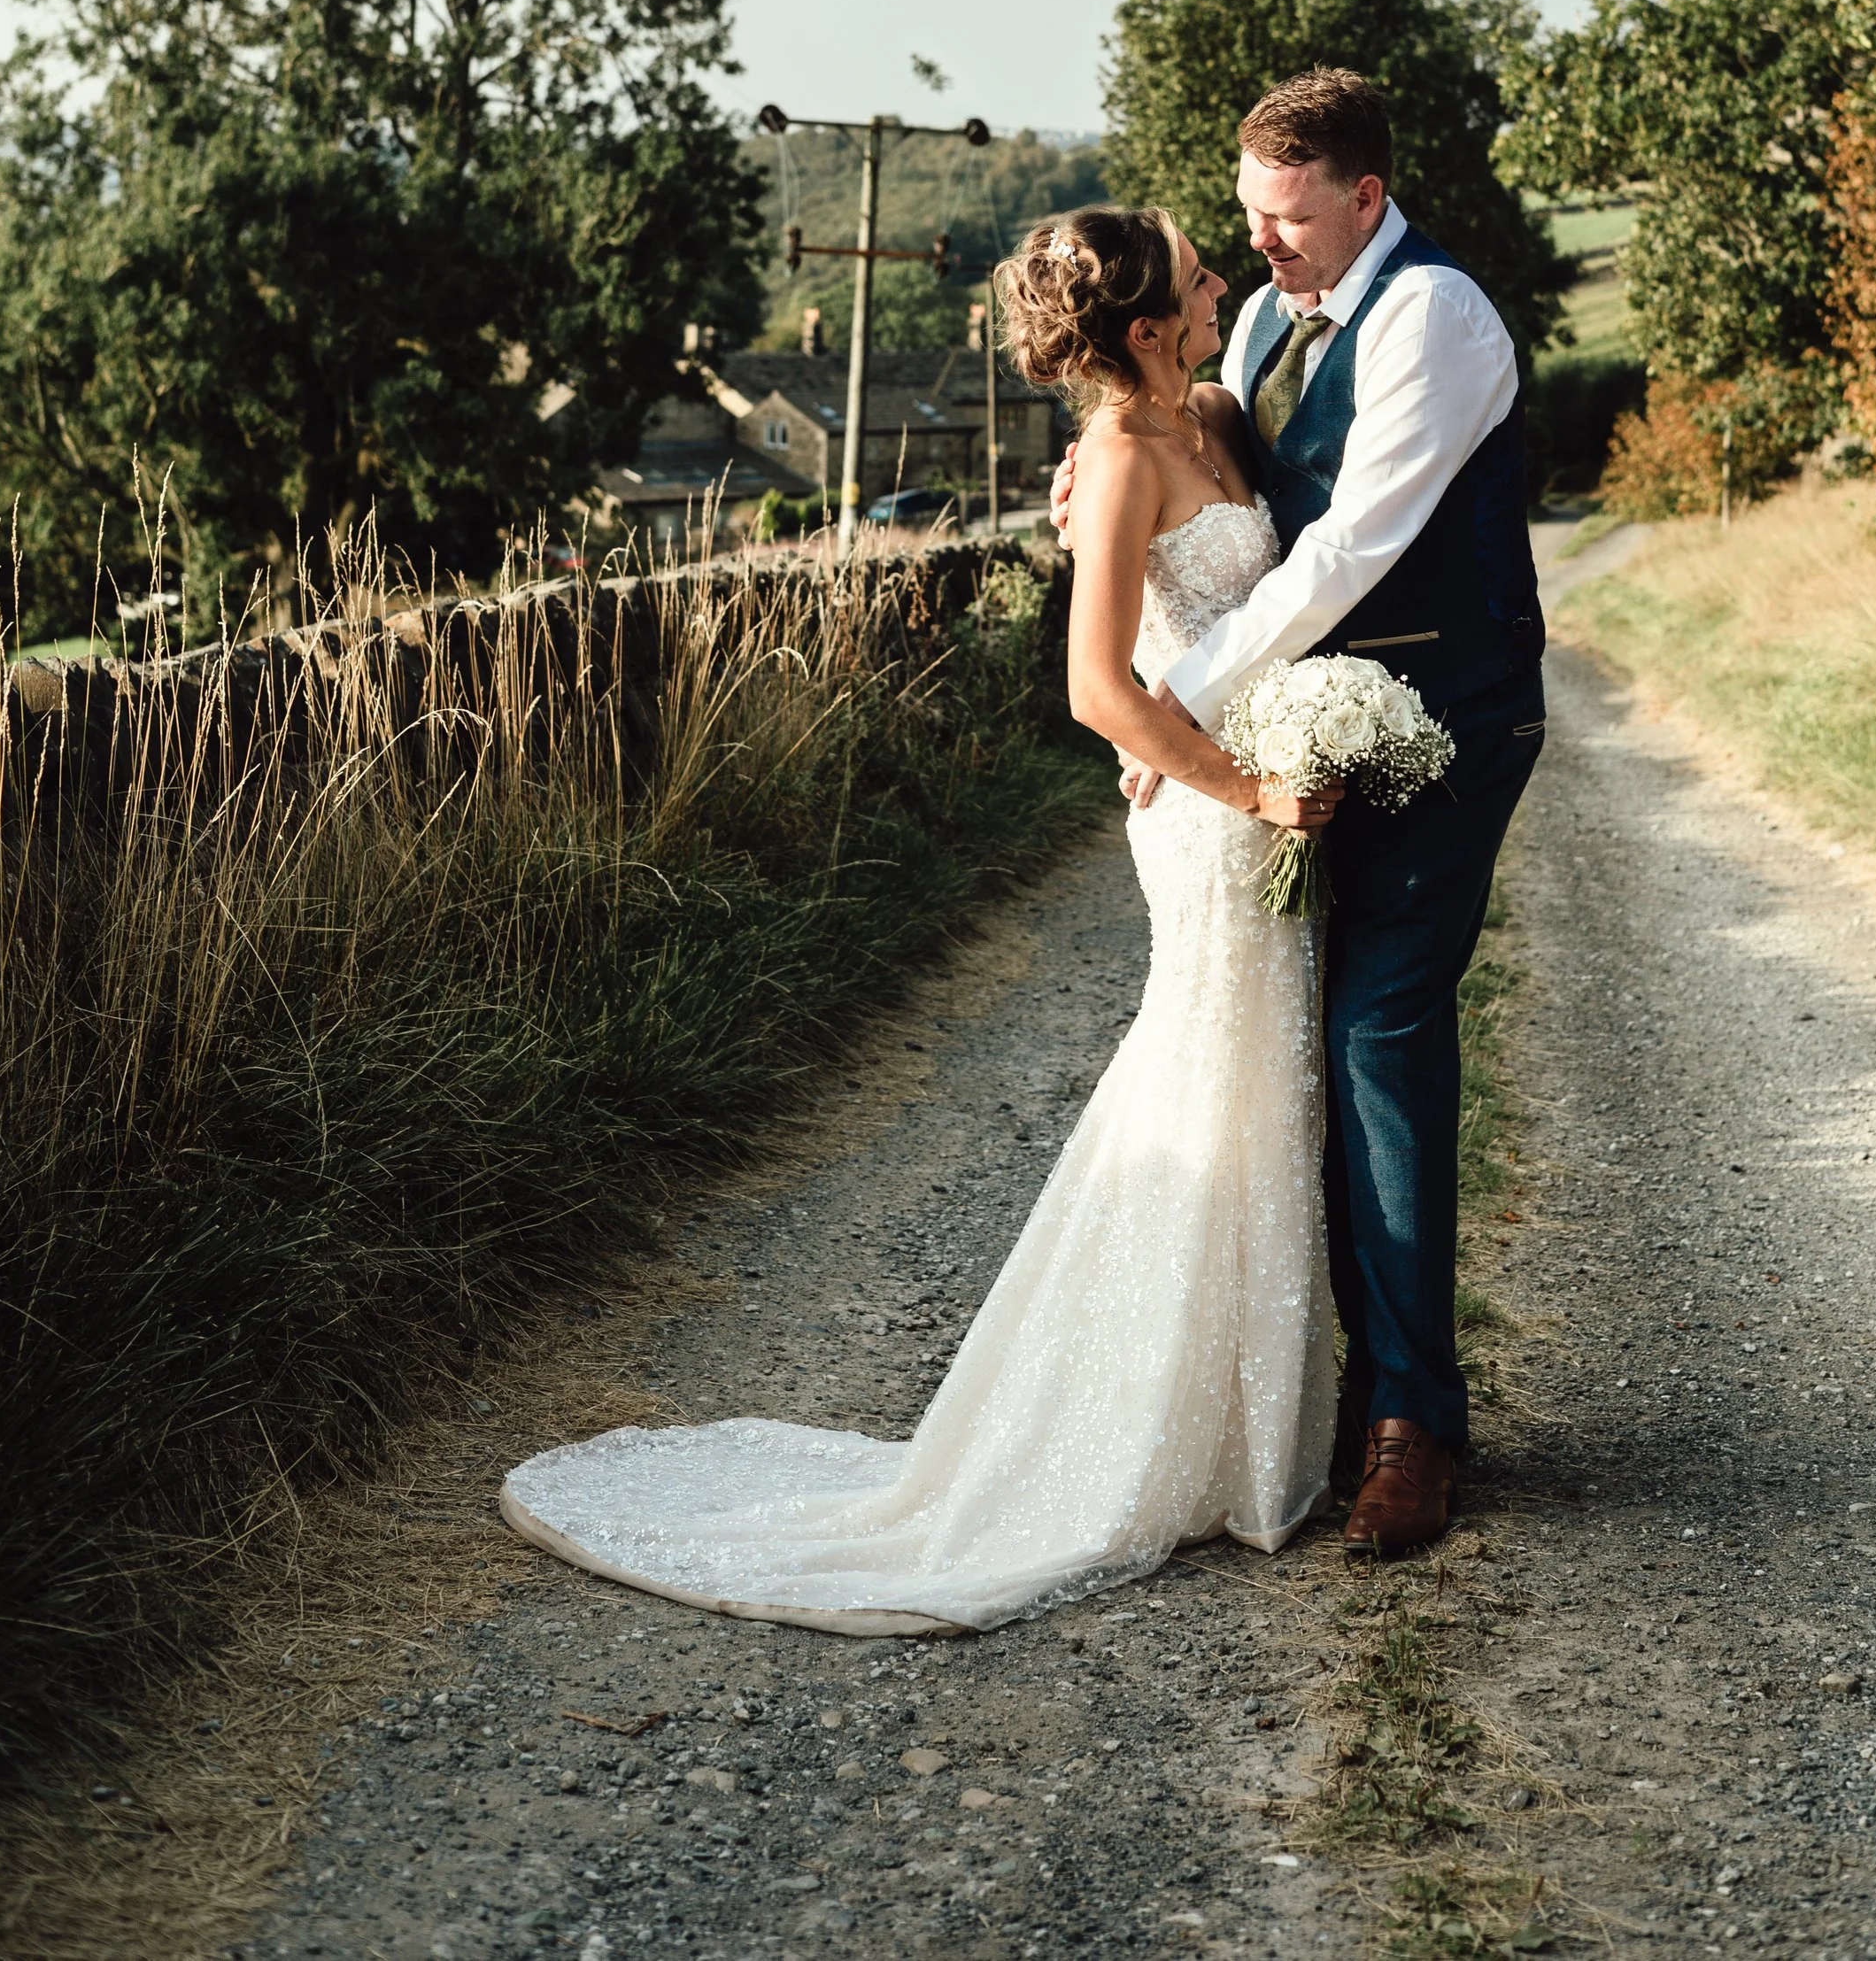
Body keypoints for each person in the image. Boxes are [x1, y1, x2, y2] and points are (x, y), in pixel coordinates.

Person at [499, 205, 1339, 1632]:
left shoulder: (1208, 411)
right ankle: (1151, 1437)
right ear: (1145, 326)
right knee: (1219, 1071)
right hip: (1208, 818)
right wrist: (1251, 788)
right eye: (1200, 281)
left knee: (1268, 1085)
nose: (1222, 288)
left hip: (1245, 782)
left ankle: (1245, 1433)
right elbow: (1095, 690)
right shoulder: (1127, 460)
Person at [1053, 67, 1545, 1562]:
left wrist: (1177, 703)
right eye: (1247, 218)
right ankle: (1325, 1388)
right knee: (1297, 1045)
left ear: (1366, 199)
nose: (1255, 245)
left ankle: (1410, 1419)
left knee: (1377, 1026)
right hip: (1302, 742)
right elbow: (1205, 460)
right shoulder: (1267, 318)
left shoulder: (1436, 321)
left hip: (1449, 716)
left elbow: (1339, 548)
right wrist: (1106, 454)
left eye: (1285, 216)